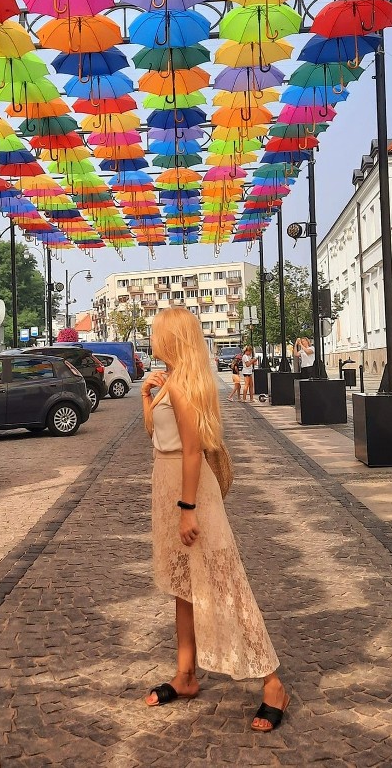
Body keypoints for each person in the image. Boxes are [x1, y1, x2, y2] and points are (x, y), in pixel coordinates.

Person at [141, 308, 288, 733]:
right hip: (167, 482)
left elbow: (191, 452)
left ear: (172, 337)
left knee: (225, 584)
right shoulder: (170, 381)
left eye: (157, 332)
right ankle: (185, 674)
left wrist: (188, 508)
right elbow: (158, 437)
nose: (152, 337)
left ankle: (272, 682)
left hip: (188, 490)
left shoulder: (184, 386)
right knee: (182, 585)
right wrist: (147, 400)